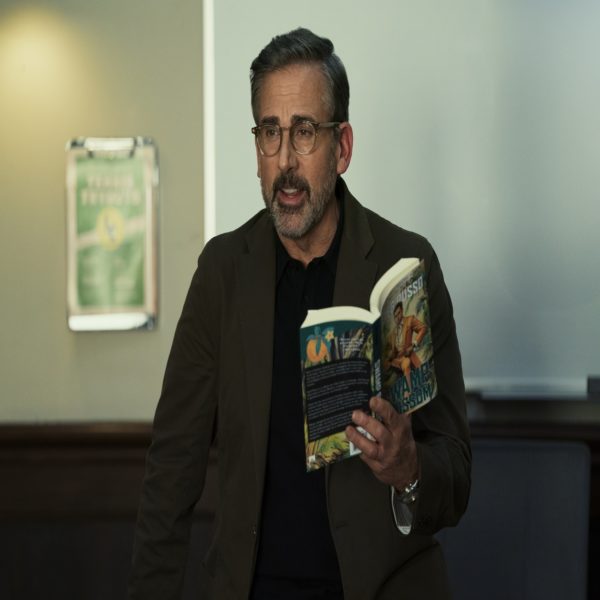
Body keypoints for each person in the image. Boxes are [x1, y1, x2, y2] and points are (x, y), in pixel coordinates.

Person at [129, 27, 470, 600]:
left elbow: (456, 477)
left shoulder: (407, 267)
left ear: (342, 148)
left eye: (305, 132)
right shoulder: (222, 273)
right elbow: (172, 466)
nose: (285, 161)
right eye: (270, 132)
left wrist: (408, 468)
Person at [386, 301, 428, 397]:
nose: (397, 317)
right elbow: (391, 349)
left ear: (402, 311)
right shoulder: (393, 333)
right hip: (397, 358)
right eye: (395, 316)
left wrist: (413, 345)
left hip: (407, 355)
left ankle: (409, 391)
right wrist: (390, 355)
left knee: (406, 363)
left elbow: (423, 328)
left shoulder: (409, 320)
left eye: (399, 313)